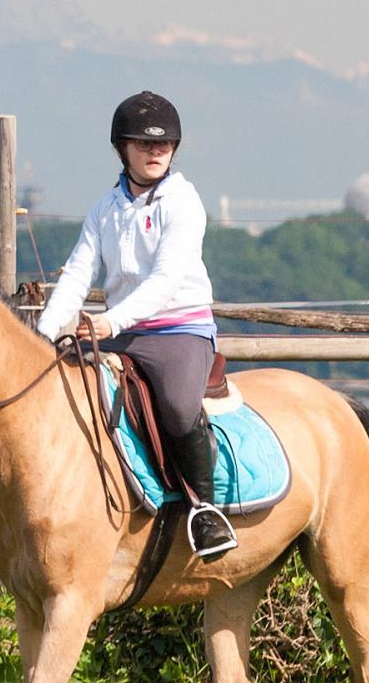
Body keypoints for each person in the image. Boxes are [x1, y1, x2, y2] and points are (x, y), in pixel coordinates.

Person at [34, 91, 237, 558]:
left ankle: (206, 511)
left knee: (177, 405)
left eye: (164, 145)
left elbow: (166, 280)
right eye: (144, 145)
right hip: (122, 333)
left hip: (177, 330)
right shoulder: (105, 209)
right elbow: (77, 275)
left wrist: (110, 322)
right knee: (58, 386)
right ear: (121, 149)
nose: (155, 152)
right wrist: (44, 335)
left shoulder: (183, 201)